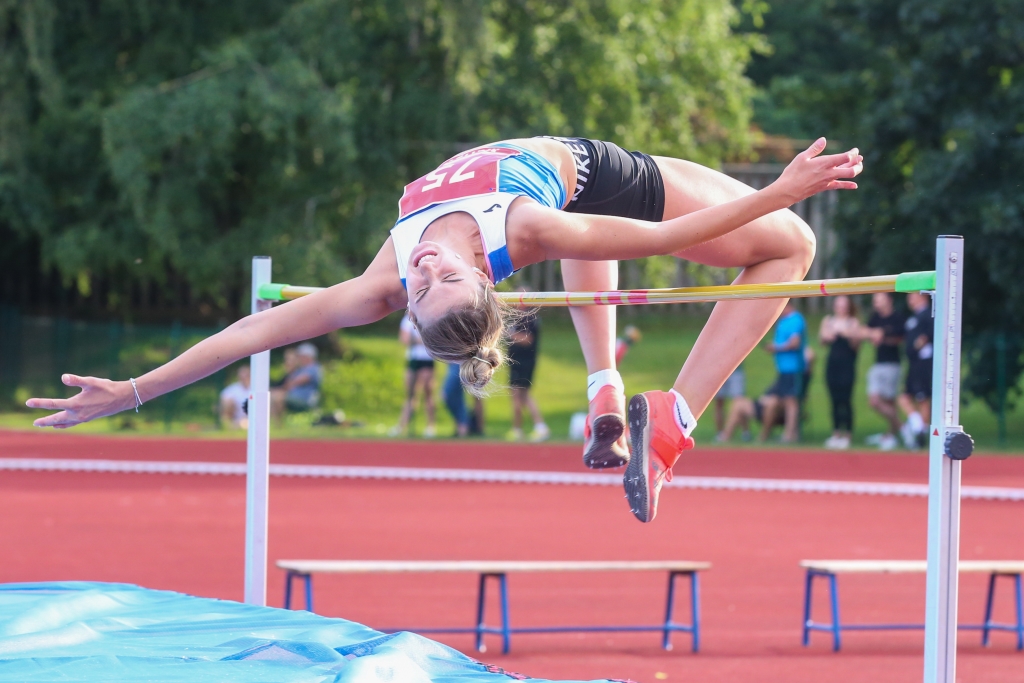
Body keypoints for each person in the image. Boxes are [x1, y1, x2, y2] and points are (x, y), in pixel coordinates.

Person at [27, 135, 861, 524]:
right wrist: (780, 191)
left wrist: (131, 388)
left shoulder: (381, 280)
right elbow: (664, 238)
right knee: (792, 246)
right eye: (436, 281)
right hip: (590, 176)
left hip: (578, 200)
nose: (423, 268)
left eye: (421, 284)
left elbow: (248, 335)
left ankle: (610, 396)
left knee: (595, 236)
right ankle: (672, 420)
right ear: (486, 278)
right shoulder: (524, 228)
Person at [719, 346, 815, 442]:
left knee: (772, 403)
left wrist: (803, 357)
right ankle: (726, 437)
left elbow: (810, 357)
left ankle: (763, 436)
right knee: (738, 403)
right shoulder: (784, 372)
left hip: (777, 408)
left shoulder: (799, 377)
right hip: (765, 402)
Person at [758, 302, 807, 443]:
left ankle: (790, 434)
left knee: (791, 401)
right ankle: (790, 433)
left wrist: (776, 348)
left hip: (793, 367)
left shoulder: (795, 319)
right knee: (786, 400)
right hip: (784, 368)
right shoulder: (783, 321)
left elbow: (795, 343)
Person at [818, 295, 862, 449]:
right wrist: (828, 335)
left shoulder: (853, 322)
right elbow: (822, 339)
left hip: (847, 365)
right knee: (834, 400)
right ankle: (836, 433)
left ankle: (848, 434)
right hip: (833, 365)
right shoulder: (828, 320)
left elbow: (856, 342)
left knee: (846, 399)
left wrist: (844, 332)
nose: (841, 308)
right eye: (838, 305)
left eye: (843, 305)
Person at [864, 292, 905, 450]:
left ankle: (891, 435)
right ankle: (904, 428)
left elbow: (901, 337)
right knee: (874, 401)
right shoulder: (875, 318)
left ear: (889, 300)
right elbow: (864, 331)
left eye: (879, 300)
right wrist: (873, 334)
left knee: (889, 402)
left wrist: (883, 336)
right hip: (879, 364)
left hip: (892, 364)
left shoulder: (897, 318)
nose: (876, 304)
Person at [506, 310, 549, 442]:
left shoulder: (528, 318)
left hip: (523, 362)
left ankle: (519, 428)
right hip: (518, 361)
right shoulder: (519, 316)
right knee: (522, 395)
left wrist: (509, 334)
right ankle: (533, 426)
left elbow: (527, 339)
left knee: (518, 394)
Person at [392, 313, 437, 437]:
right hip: (413, 359)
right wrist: (421, 340)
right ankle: (402, 425)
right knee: (411, 394)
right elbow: (404, 339)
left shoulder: (429, 317)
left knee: (428, 393)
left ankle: (430, 426)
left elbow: (433, 339)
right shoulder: (407, 320)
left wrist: (418, 340)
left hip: (426, 359)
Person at [899, 291, 934, 449]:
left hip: (923, 363)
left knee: (922, 398)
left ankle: (921, 434)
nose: (909, 299)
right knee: (905, 397)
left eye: (912, 296)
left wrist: (918, 345)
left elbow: (928, 335)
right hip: (913, 363)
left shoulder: (928, 315)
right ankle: (918, 426)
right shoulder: (914, 317)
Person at [270, 343, 322, 420]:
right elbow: (287, 384)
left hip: (304, 400)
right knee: (272, 394)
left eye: (301, 356)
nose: (299, 359)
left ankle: (278, 423)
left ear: (307, 357)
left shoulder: (313, 368)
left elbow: (295, 382)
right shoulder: (301, 370)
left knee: (277, 398)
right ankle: (273, 422)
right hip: (294, 397)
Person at [713, 365, 746, 440]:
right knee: (719, 403)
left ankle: (745, 432)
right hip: (718, 370)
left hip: (735, 369)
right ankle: (720, 434)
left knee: (739, 401)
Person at [219, 365, 250, 429]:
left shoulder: (256, 388)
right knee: (228, 402)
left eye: (246, 376)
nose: (244, 378)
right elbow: (223, 403)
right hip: (236, 417)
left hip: (252, 416)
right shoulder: (232, 389)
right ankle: (229, 424)